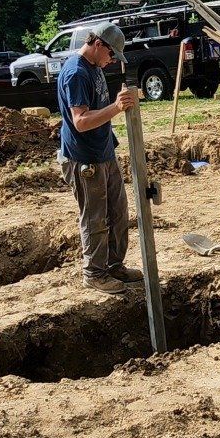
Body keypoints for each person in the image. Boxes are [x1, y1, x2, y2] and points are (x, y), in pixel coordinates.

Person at [58, 21, 141, 291]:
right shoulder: (76, 73)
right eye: (111, 55)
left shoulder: (94, 67)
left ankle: (113, 266)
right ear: (97, 44)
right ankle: (94, 273)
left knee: (118, 213)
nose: (112, 61)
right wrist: (116, 107)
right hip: (85, 158)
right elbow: (81, 121)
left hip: (103, 151)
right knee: (95, 218)